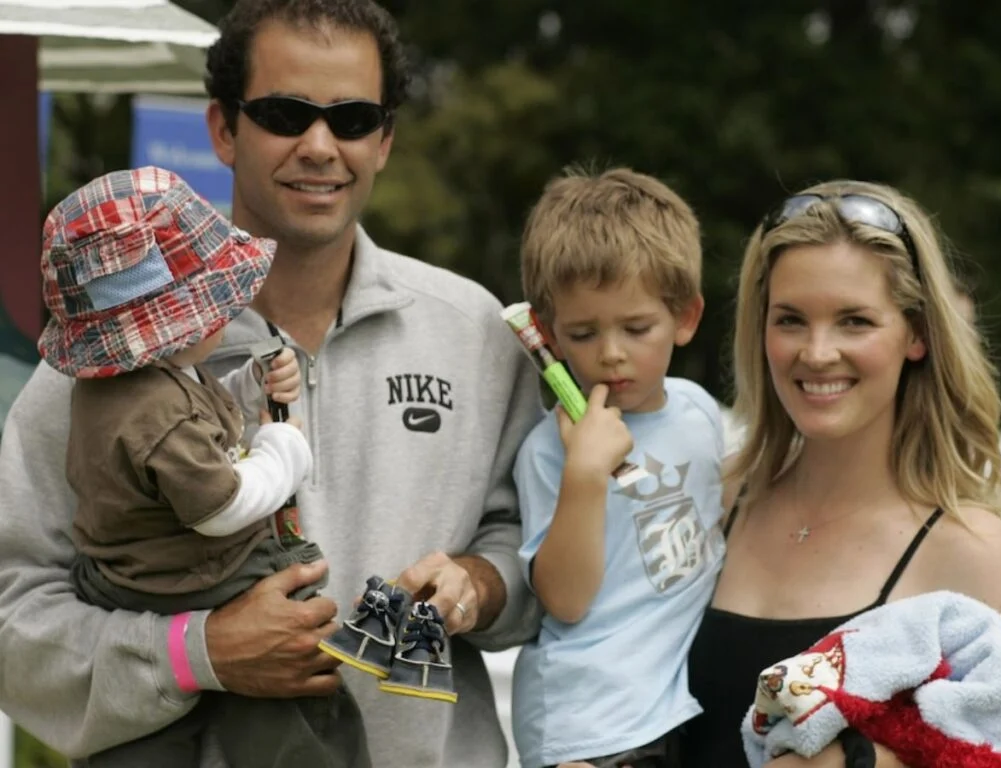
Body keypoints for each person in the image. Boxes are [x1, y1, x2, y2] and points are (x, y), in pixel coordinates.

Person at [0, 1, 542, 766]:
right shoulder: (100, 362)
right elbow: (12, 615)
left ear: (384, 140)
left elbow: (542, 547)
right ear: (223, 128)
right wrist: (199, 653)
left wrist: (481, 585)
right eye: (287, 114)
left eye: (353, 118)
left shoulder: (472, 327)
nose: (320, 145)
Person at [674, 181, 1001, 767]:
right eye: (790, 320)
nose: (816, 352)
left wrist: (861, 761)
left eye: (854, 321)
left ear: (916, 334)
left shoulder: (972, 550)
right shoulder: (715, 498)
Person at [36, 165, 370, 768]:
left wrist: (248, 388)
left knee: (139, 738)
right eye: (212, 308)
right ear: (172, 329)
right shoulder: (157, 413)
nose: (223, 318)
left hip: (119, 582)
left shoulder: (122, 383)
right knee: (297, 683)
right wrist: (282, 449)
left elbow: (188, 429)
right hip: (198, 577)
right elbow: (221, 505)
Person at [512, 167, 726, 768]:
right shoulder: (549, 450)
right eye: (582, 333)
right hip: (592, 727)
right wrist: (584, 474)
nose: (610, 353)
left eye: (637, 328)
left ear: (686, 318)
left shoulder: (698, 411)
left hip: (672, 707)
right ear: (549, 336)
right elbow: (566, 600)